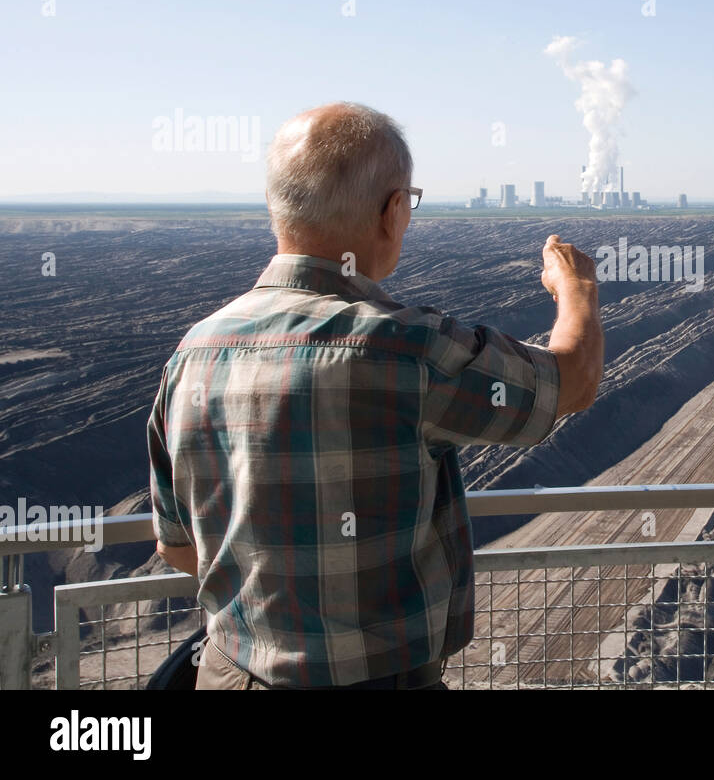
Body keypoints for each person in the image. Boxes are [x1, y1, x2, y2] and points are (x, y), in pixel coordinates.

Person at [147, 102, 603, 689]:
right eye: (407, 203)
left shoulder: (192, 355)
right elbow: (572, 381)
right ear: (392, 211)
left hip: (229, 675)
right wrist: (577, 286)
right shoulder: (407, 349)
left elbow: (176, 546)